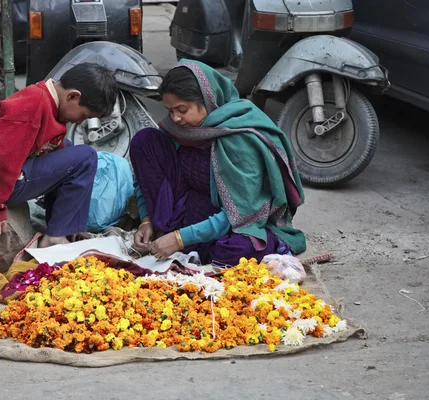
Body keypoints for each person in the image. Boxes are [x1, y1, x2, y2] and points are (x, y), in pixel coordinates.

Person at [130, 60, 306, 266]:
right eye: (170, 111)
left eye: (182, 109)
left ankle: (264, 243)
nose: (175, 118)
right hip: (188, 209)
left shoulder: (239, 138)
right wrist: (147, 219)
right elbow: (144, 178)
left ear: (207, 99)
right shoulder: (182, 130)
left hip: (233, 219)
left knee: (235, 251)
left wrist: (180, 238)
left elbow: (239, 214)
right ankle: (171, 235)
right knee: (145, 140)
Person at [0, 63, 118, 248]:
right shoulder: (32, 105)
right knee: (86, 157)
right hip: (1, 182)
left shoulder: (47, 97)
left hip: (13, 171)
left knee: (69, 150)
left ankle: (69, 227)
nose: (79, 122)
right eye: (83, 115)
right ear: (72, 96)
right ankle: (55, 236)